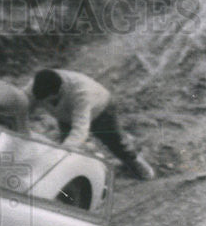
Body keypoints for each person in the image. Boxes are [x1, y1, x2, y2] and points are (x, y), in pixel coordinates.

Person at [22, 68, 155, 180]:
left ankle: (136, 164)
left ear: (58, 92)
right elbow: (20, 102)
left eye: (46, 100)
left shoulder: (81, 93)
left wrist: (61, 153)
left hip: (101, 109)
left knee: (115, 143)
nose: (41, 104)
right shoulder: (37, 85)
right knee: (66, 142)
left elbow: (80, 130)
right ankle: (66, 174)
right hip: (66, 115)